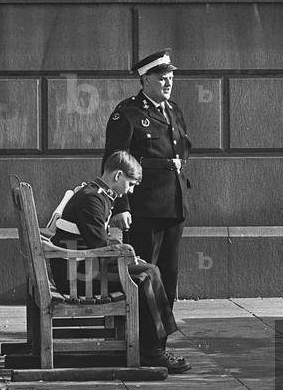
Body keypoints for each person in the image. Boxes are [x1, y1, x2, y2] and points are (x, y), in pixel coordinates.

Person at [49, 150, 190, 373]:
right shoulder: (92, 199)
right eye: (131, 184)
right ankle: (152, 351)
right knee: (145, 277)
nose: (131, 191)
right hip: (76, 277)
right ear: (117, 176)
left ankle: (154, 346)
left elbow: (99, 241)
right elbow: (99, 245)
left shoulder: (96, 195)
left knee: (150, 271)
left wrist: (128, 255)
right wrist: (128, 254)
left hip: (81, 268)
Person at [104, 49, 191, 309]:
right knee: (144, 276)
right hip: (144, 208)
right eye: (162, 77)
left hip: (174, 205)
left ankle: (161, 341)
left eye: (170, 77)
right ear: (145, 80)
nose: (168, 83)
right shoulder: (128, 113)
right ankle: (144, 344)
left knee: (169, 275)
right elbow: (114, 162)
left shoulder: (173, 110)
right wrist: (120, 207)